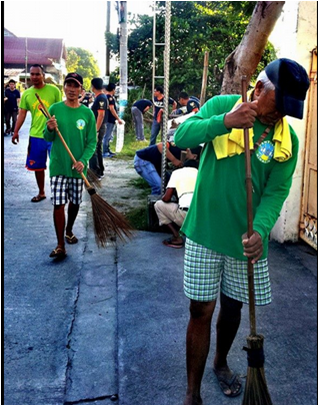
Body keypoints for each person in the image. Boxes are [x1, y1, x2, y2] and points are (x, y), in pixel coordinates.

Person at [174, 58, 310, 404]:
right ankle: (192, 392)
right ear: (259, 88)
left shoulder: (285, 142)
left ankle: (220, 362)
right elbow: (181, 136)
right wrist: (225, 122)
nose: (278, 115)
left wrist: (261, 230)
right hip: (206, 230)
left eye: (287, 110)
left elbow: (276, 192)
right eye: (277, 105)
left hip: (246, 242)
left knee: (232, 308)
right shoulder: (222, 106)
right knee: (200, 311)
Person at [43, 72, 97, 260]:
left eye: (76, 86)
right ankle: (60, 245)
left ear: (81, 89)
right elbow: (48, 138)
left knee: (75, 202)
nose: (72, 89)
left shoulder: (87, 113)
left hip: (77, 168)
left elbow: (92, 142)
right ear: (64, 87)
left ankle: (69, 229)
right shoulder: (54, 108)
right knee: (58, 204)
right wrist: (49, 128)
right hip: (59, 165)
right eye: (68, 85)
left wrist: (83, 160)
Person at [12, 64, 62, 202]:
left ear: (43, 75)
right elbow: (22, 114)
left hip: (53, 135)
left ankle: (57, 192)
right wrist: (15, 131)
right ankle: (41, 192)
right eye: (32, 74)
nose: (34, 77)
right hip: (36, 136)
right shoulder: (27, 94)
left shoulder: (54, 90)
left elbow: (61, 111)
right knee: (38, 167)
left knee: (56, 165)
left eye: (37, 74)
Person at [154, 152, 200, 248]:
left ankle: (177, 237)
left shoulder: (177, 173)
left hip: (185, 216)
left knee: (158, 204)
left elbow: (166, 199)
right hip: (203, 218)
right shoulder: (202, 174)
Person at [134, 142, 201, 195]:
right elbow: (160, 146)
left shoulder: (183, 156)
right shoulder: (180, 147)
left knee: (169, 182)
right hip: (144, 160)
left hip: (155, 163)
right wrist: (173, 159)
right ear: (195, 156)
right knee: (158, 186)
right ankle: (153, 208)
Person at [89, 78, 108, 179]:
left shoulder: (101, 98)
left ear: (93, 86)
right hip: (99, 127)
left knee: (92, 149)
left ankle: (94, 173)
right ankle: (100, 170)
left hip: (98, 127)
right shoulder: (100, 97)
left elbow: (101, 115)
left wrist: (95, 130)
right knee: (97, 148)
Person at [102, 83, 123, 158]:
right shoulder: (110, 98)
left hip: (108, 119)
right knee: (107, 136)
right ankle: (105, 152)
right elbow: (112, 109)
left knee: (108, 135)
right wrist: (118, 118)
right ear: (113, 89)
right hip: (109, 119)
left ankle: (107, 150)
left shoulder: (106, 97)